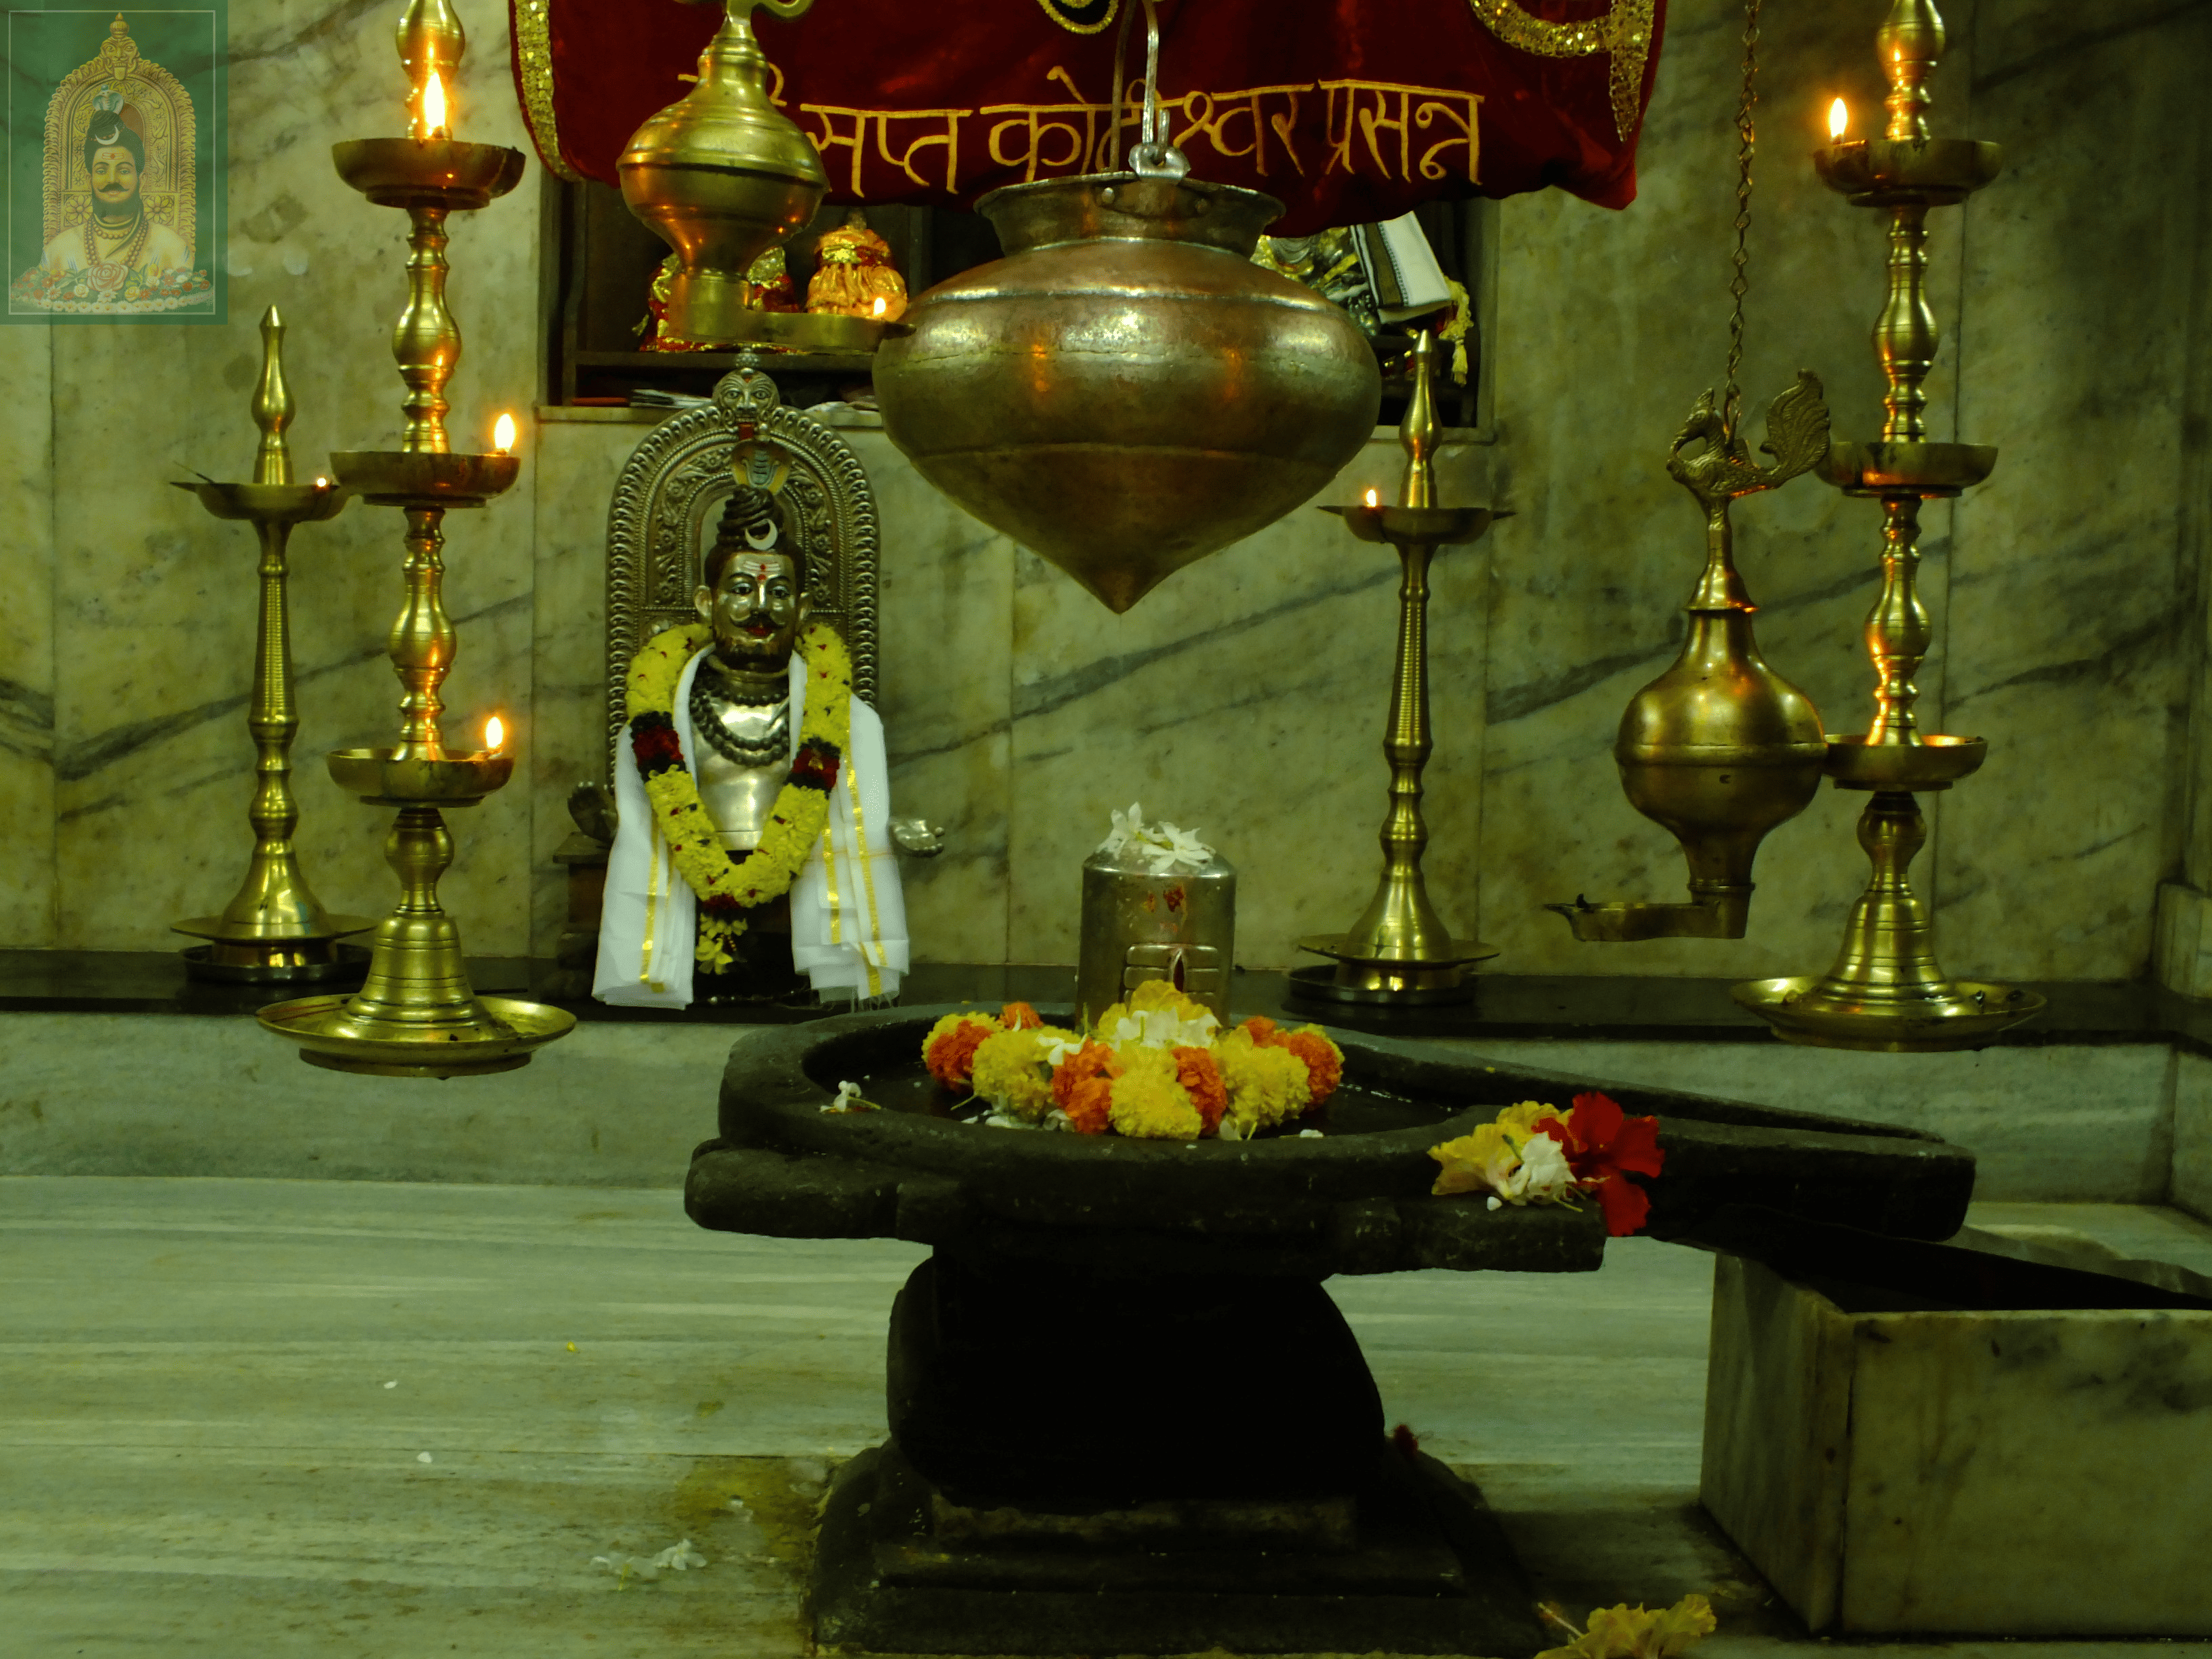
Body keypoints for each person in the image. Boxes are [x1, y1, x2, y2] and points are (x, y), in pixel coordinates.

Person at [593, 485, 907, 1008]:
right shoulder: (658, 719)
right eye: (741, 589)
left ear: (803, 608)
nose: (761, 608)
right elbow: (643, 824)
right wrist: (610, 824)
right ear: (705, 602)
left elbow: (865, 821)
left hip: (798, 874)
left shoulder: (848, 722)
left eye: (779, 593)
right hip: (691, 870)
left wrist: (890, 834)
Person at [37, 96, 192, 295]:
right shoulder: (58, 251)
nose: (112, 180)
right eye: (101, 171)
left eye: (124, 170)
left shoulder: (172, 249)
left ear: (142, 181)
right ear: (88, 179)